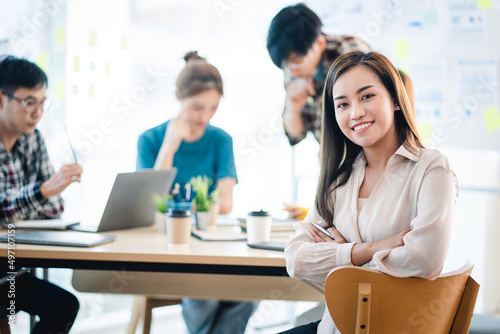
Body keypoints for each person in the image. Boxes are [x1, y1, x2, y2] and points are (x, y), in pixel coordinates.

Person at [280, 51, 457, 333]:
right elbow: (296, 260)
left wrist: (341, 256)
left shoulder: (431, 168)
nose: (356, 113)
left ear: (396, 100)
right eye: (342, 104)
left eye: (367, 96)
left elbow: (424, 259)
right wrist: (369, 249)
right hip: (337, 326)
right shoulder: (339, 176)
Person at [137, 51, 258, 334]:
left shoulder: (220, 139)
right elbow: (149, 205)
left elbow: (225, 203)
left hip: (212, 249)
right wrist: (169, 146)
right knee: (204, 293)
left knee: (251, 291)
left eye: (213, 108)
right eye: (196, 107)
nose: (205, 116)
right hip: (168, 251)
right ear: (178, 95)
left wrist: (182, 207)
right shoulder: (150, 140)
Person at [0, 56, 82, 333]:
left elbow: (54, 208)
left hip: (11, 266)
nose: (37, 112)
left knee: (63, 305)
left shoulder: (32, 138)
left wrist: (40, 195)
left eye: (42, 102)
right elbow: (3, 209)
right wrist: (43, 190)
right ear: (1, 99)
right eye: (29, 102)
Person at [267, 3, 371, 146]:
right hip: (330, 154)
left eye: (297, 61)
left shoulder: (350, 54)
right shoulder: (292, 68)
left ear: (320, 43)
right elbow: (294, 135)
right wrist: (293, 107)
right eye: (285, 65)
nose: (291, 70)